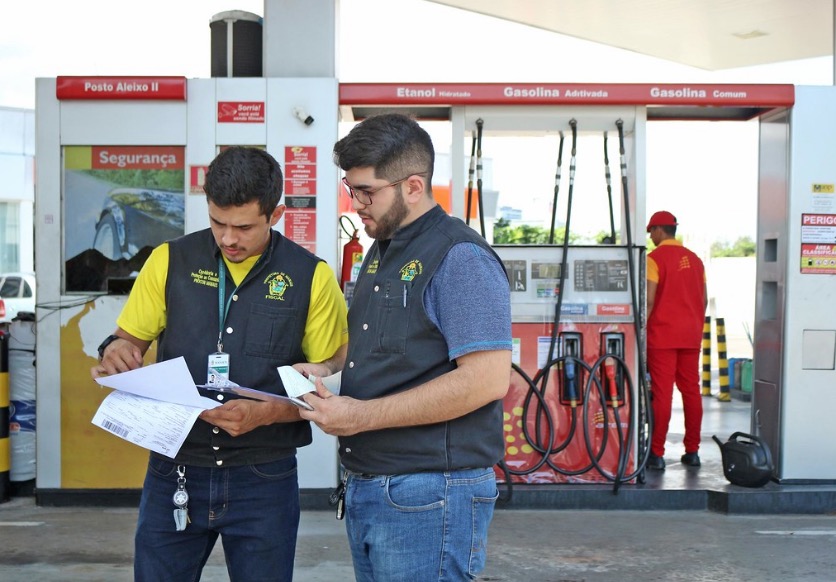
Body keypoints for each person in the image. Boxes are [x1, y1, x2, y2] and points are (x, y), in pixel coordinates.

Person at [91, 146, 348, 581]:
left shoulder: (311, 276)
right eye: (217, 222)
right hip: (174, 469)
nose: (228, 238)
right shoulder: (170, 260)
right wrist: (116, 348)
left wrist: (268, 413)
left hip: (263, 476)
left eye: (244, 227)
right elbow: (128, 338)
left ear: (277, 214)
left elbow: (322, 379)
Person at [295, 113, 512, 581]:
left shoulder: (460, 257)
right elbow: (388, 349)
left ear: (413, 186)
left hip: (431, 494)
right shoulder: (382, 249)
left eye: (367, 191)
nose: (356, 204)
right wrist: (325, 371)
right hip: (376, 487)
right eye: (352, 189)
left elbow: (488, 379)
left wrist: (359, 416)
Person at [645, 210, 707, 471]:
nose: (650, 237)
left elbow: (648, 300)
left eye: (651, 232)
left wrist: (639, 330)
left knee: (662, 394)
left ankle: (656, 454)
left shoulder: (654, 259)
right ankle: (692, 451)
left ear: (659, 230)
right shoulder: (696, 260)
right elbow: (703, 299)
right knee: (691, 392)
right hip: (690, 336)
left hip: (662, 335)